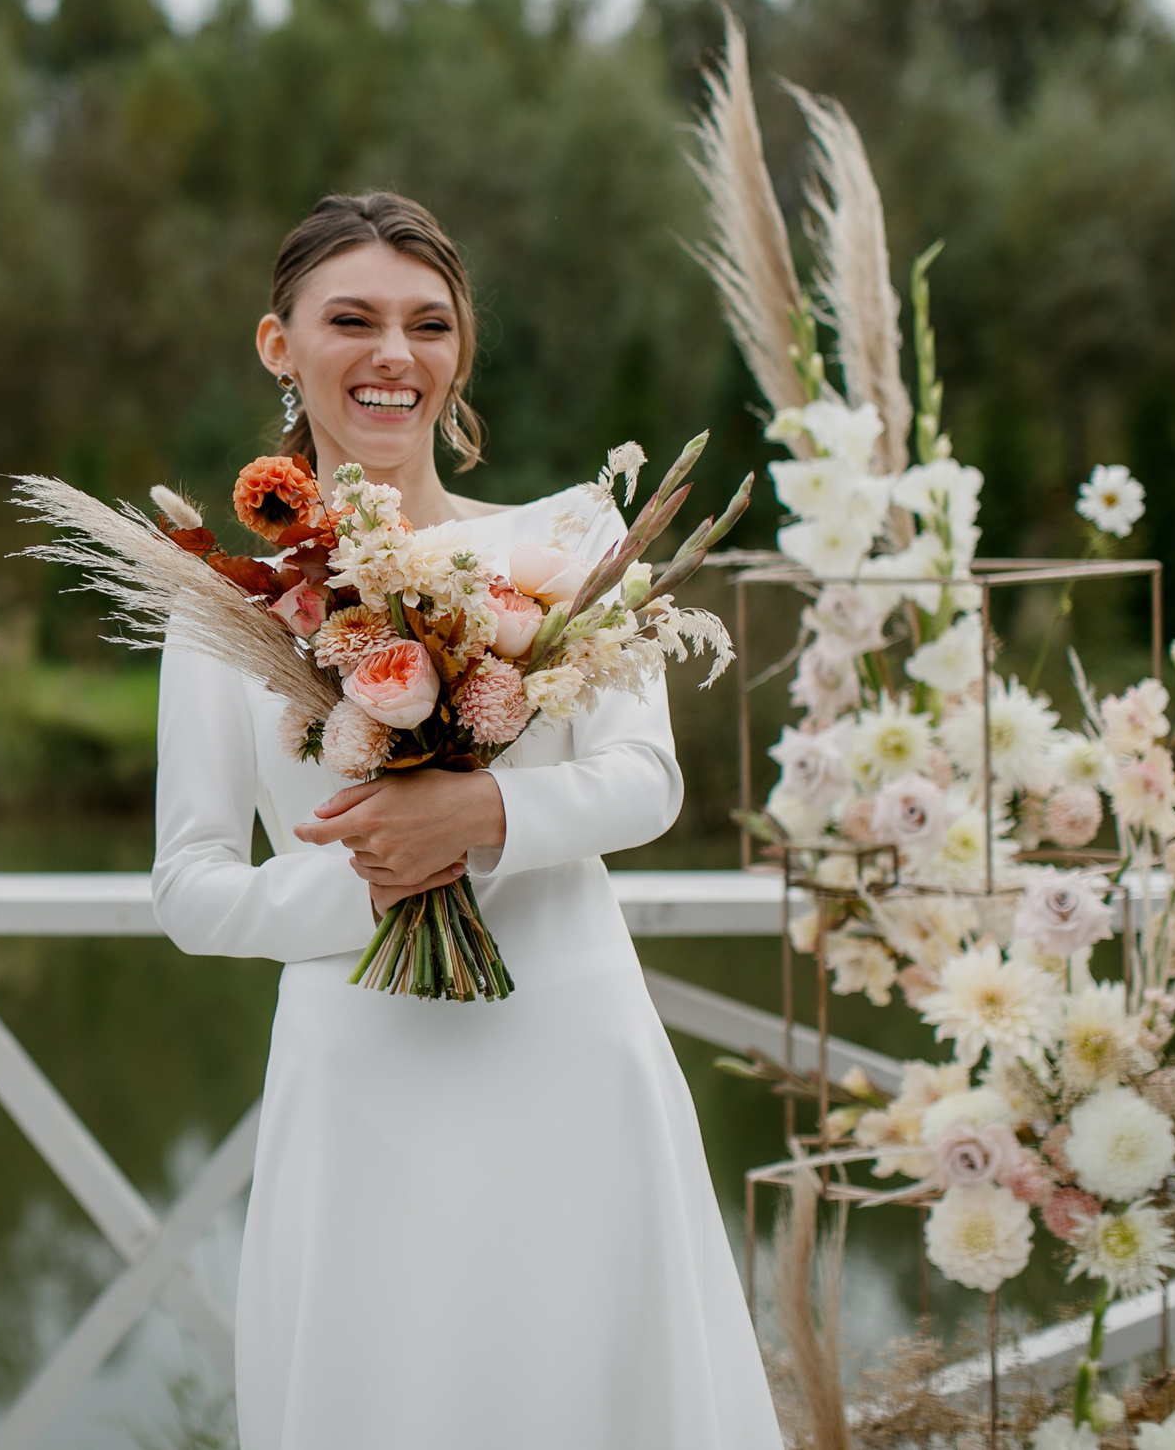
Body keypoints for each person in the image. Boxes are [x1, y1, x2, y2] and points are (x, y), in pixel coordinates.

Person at [151, 192, 778, 1448]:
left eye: (428, 324)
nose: (395, 354)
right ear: (279, 345)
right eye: (352, 320)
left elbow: (646, 781)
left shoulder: (570, 537)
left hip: (572, 1059)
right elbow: (192, 886)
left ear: (459, 351)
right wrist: (374, 876)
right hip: (361, 1083)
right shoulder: (222, 608)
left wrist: (482, 809)